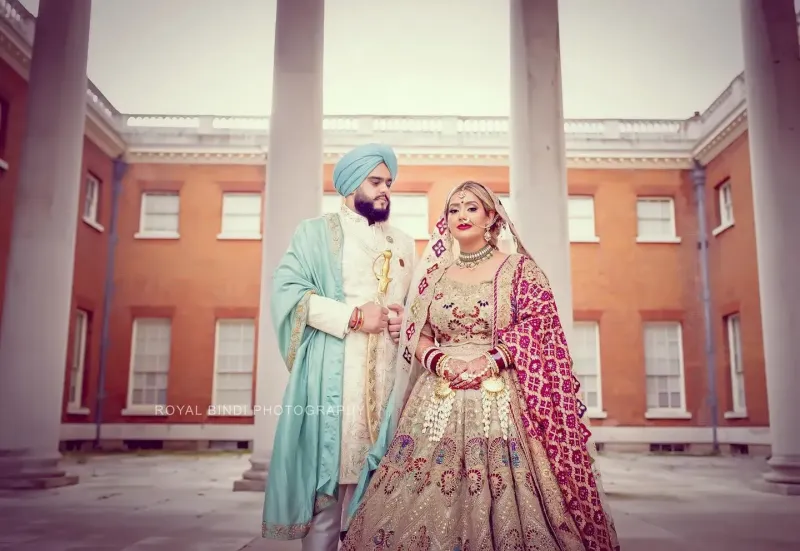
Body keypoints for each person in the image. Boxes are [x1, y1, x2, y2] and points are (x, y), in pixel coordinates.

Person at [341, 181, 621, 550]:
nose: (461, 215)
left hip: (502, 400)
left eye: (471, 208)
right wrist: (440, 361)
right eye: (454, 209)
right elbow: (417, 333)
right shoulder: (434, 278)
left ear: (492, 217)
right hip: (437, 400)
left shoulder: (519, 270)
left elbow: (538, 325)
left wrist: (490, 360)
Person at [260, 143, 418, 550]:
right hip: (337, 378)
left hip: (389, 380)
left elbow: (417, 307)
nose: (385, 190)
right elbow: (288, 293)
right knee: (330, 497)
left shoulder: (403, 242)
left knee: (383, 496)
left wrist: (404, 321)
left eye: (389, 183)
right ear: (350, 184)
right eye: (376, 182)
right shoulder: (315, 232)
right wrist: (352, 315)